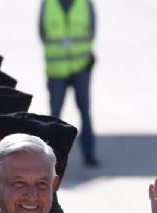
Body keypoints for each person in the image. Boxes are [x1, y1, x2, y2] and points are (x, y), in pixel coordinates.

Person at [39, 0, 99, 166]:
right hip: (57, 70)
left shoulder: (85, 3)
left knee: (84, 112)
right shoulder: (48, 4)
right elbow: (42, 32)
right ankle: (52, 157)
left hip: (81, 68)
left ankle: (89, 154)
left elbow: (92, 31)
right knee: (55, 115)